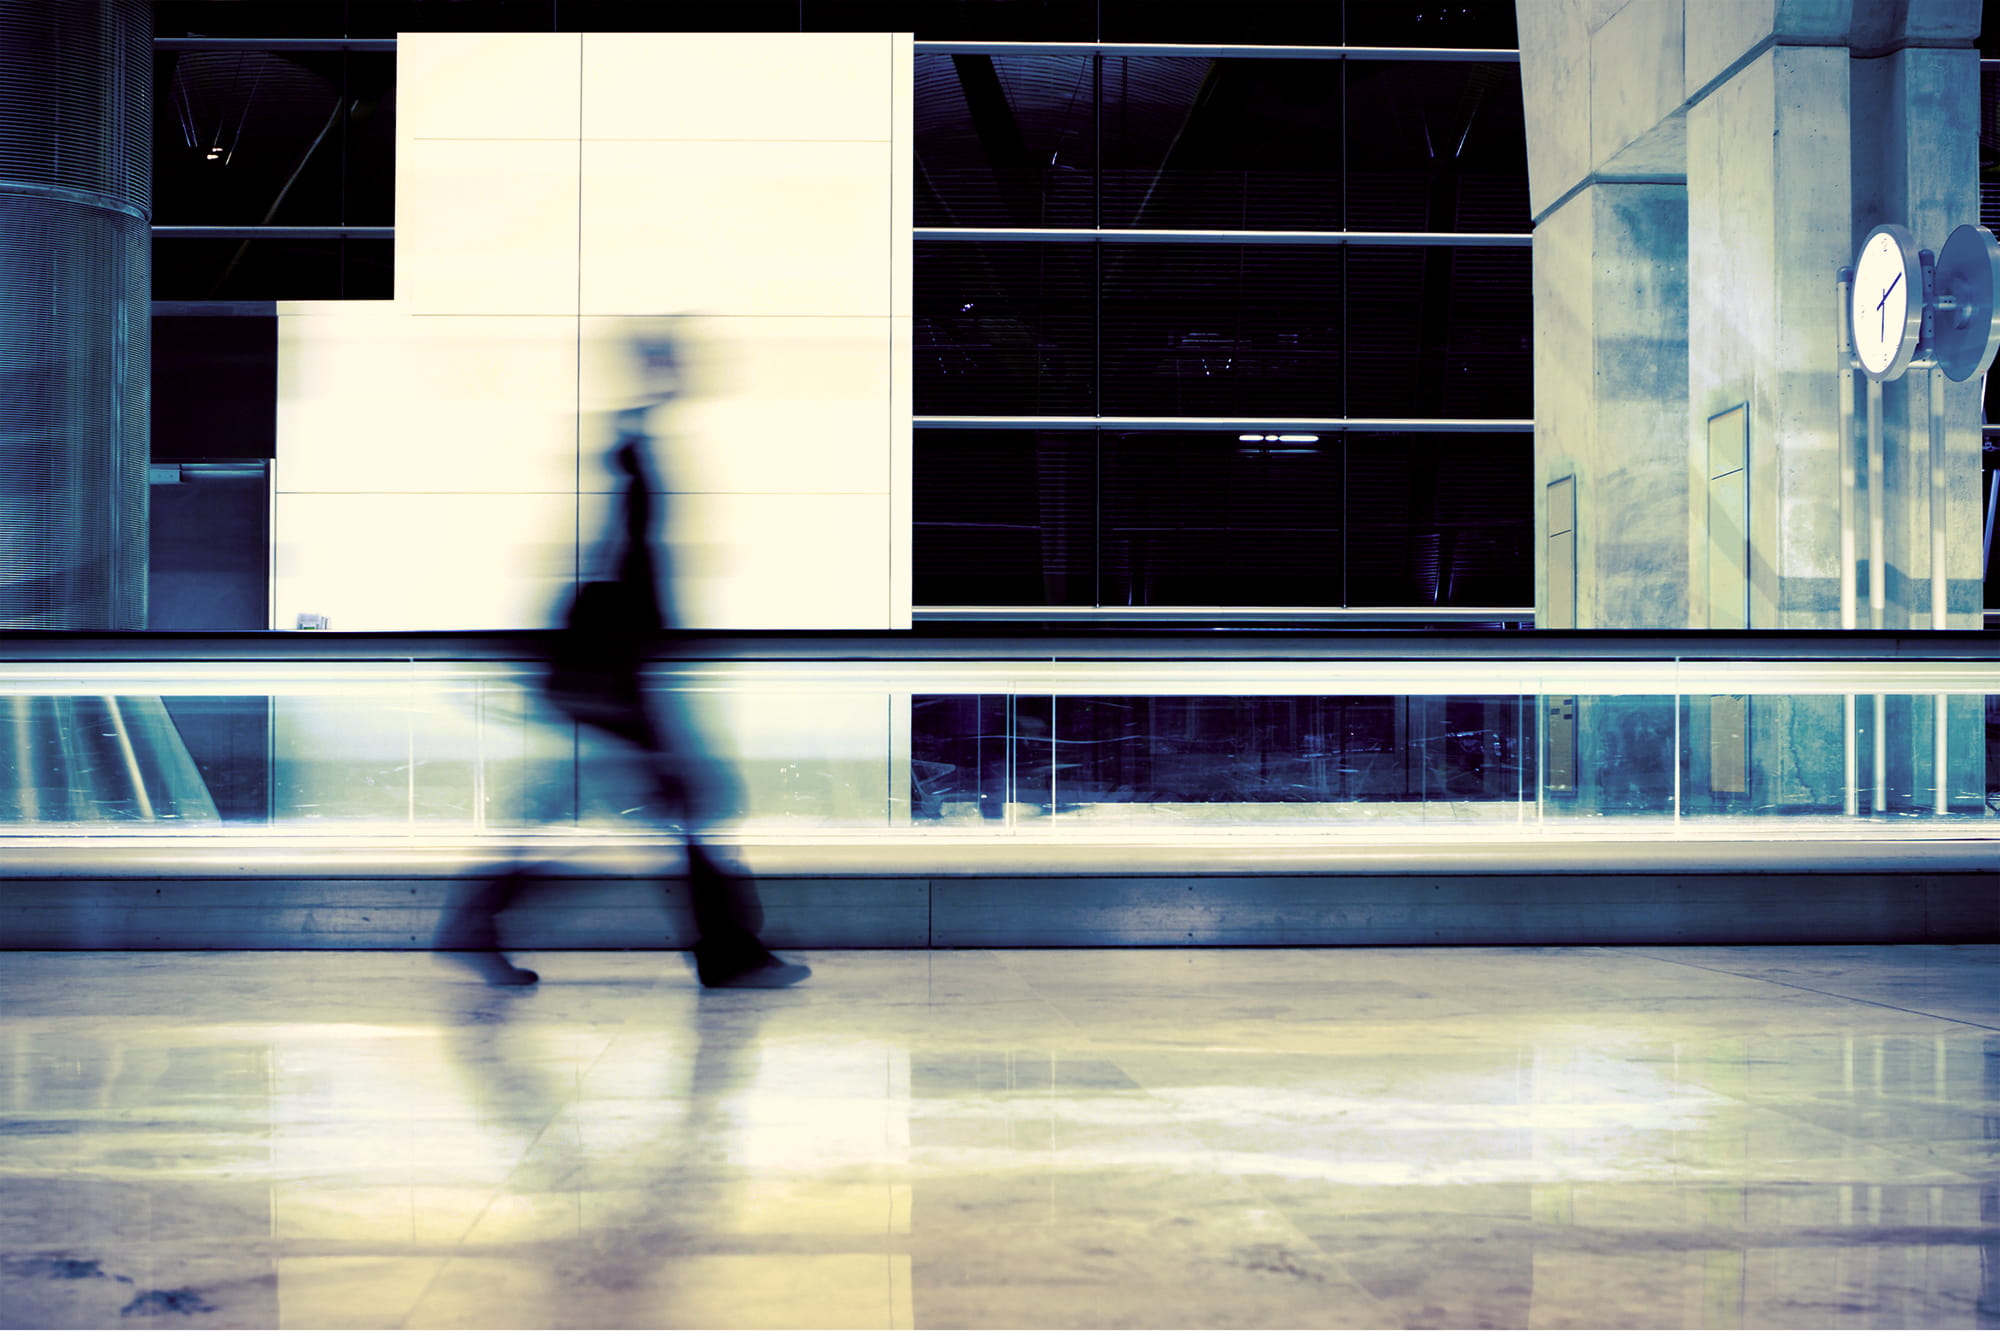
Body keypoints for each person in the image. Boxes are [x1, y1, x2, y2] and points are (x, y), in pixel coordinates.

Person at [436, 394, 809, 990]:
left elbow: (629, 536)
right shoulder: (637, 555)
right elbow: (636, 529)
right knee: (690, 820)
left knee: (646, 819)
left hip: (606, 704)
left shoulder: (625, 562)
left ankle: (474, 926)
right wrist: (639, 440)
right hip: (619, 705)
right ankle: (728, 954)